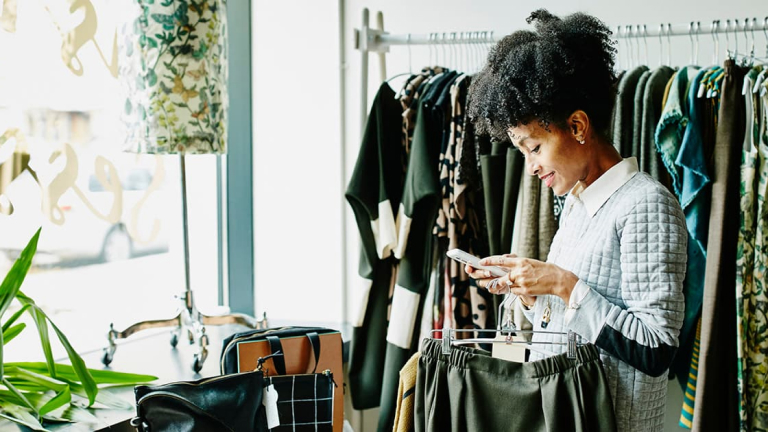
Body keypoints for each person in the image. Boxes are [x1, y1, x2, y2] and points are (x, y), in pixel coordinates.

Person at [465, 9, 687, 432]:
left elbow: (657, 349)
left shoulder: (646, 205)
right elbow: (571, 325)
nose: (530, 167)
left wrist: (562, 284)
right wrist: (531, 292)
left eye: (534, 148)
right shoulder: (577, 203)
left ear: (578, 125)